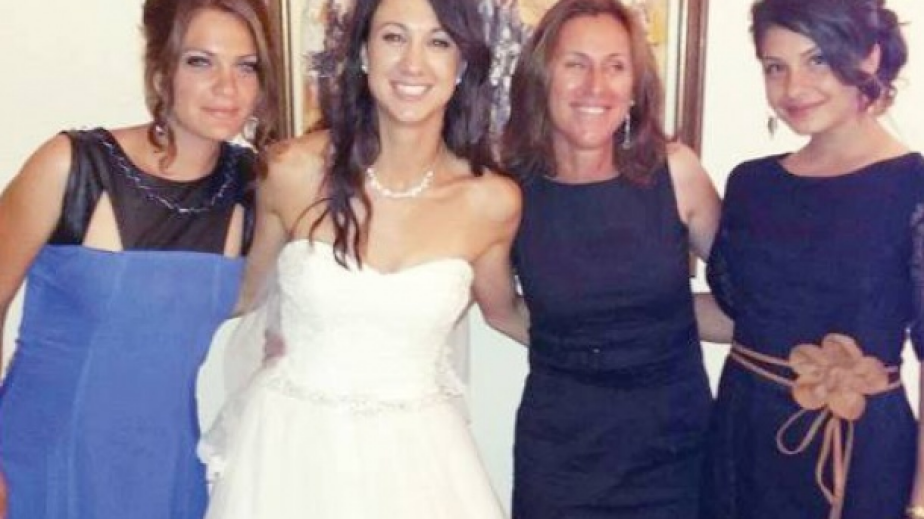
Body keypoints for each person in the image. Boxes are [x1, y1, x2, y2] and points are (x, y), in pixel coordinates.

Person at [199, 0, 521, 517]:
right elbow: (242, 295)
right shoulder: (291, 170)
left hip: (420, 464)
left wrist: (622, 353)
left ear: (462, 65)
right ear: (364, 53)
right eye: (394, 37)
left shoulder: (491, 202)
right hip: (292, 451)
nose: (412, 62)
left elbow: (505, 313)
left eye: (438, 42)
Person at [0, 0, 279, 517]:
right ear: (161, 68)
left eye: (246, 67)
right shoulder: (71, 165)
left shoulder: (256, 188)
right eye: (200, 61)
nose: (227, 87)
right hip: (42, 458)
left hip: (165, 469)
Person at [490, 0, 721, 517]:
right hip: (562, 458)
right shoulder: (508, 190)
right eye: (575, 64)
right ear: (541, 76)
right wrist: (582, 348)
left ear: (635, 85)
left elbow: (747, 301)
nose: (596, 86)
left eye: (615, 66)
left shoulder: (676, 173)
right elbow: (500, 311)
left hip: (675, 453)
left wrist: (658, 323)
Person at [700, 1, 924, 518]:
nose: (793, 87)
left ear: (869, 56)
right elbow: (739, 317)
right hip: (744, 440)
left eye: (817, 59)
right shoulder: (752, 184)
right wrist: (618, 309)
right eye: (775, 67)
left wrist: (920, 505)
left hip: (860, 455)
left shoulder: (913, 187)